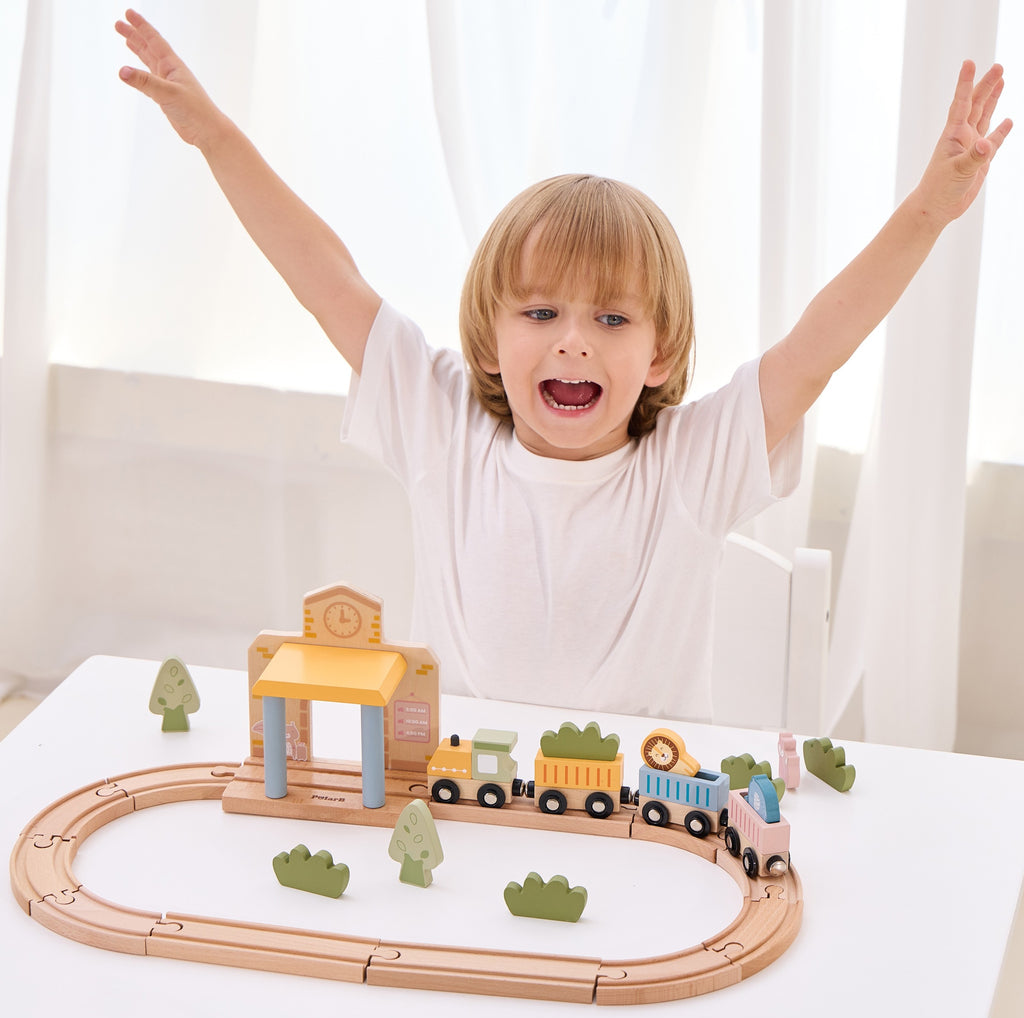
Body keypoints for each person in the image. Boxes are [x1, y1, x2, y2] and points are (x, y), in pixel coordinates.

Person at [116, 10, 1011, 720]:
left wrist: (930, 211)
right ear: (492, 338)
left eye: (611, 318)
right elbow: (326, 278)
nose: (573, 340)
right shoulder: (443, 431)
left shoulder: (690, 468)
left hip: (636, 824)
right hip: (460, 810)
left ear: (658, 352)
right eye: (541, 312)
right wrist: (216, 139)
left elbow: (821, 346)